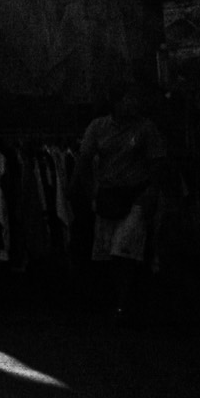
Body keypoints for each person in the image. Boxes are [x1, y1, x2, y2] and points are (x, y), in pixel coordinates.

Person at [71, 84, 168, 323]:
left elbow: (158, 164)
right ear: (115, 103)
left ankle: (123, 304)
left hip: (136, 195)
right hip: (108, 195)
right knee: (106, 252)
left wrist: (151, 194)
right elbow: (83, 161)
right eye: (128, 99)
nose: (133, 104)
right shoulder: (98, 127)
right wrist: (91, 191)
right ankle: (111, 301)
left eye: (135, 99)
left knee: (123, 250)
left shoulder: (145, 128)